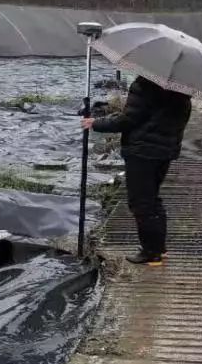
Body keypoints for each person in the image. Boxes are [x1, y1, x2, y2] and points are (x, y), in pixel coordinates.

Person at [82, 75, 192, 266]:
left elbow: (128, 120)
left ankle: (151, 252)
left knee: (141, 203)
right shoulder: (182, 87)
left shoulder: (145, 85)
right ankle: (158, 248)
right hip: (164, 152)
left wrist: (96, 123)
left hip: (142, 152)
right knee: (153, 199)